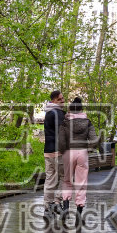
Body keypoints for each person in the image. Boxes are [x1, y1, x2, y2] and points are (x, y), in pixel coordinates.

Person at [62, 96, 99, 225]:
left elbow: (61, 139)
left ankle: (65, 208)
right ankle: (79, 212)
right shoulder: (88, 122)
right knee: (81, 183)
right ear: (82, 109)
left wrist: (62, 150)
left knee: (67, 180)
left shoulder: (65, 121)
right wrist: (88, 148)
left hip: (68, 152)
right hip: (82, 153)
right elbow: (94, 139)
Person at [42, 89, 68, 218]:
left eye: (63, 98)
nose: (63, 100)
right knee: (65, 177)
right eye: (60, 99)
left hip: (48, 152)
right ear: (53, 100)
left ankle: (47, 208)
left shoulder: (47, 113)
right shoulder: (58, 113)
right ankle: (57, 202)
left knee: (50, 180)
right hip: (58, 151)